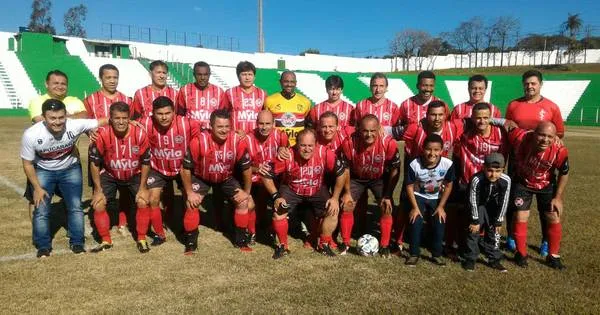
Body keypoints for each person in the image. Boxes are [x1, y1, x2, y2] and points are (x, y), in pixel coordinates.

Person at [21, 99, 107, 258]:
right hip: (43, 170)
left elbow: (104, 120)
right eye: (52, 118)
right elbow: (27, 163)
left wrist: (130, 121)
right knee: (41, 210)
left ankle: (77, 242)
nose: (57, 122)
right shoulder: (31, 134)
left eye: (61, 117)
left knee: (75, 206)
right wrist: (38, 188)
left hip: (70, 169)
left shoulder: (74, 125)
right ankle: (43, 246)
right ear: (44, 118)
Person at [504, 70, 565, 256]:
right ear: (523, 84)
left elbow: (559, 133)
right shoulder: (514, 105)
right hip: (518, 162)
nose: (530, 86)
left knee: (545, 205)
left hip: (543, 164)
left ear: (540, 84)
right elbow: (508, 128)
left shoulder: (551, 107)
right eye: (527, 83)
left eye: (534, 83)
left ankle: (546, 241)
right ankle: (512, 237)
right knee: (514, 203)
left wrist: (556, 141)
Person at [262, 129, 347, 259]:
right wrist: (276, 197)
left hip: (317, 189)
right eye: (303, 145)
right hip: (292, 189)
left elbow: (342, 173)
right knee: (278, 211)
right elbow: (266, 175)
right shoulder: (287, 155)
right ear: (296, 145)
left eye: (310, 146)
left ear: (316, 145)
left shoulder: (325, 153)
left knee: (333, 210)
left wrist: (335, 198)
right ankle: (283, 246)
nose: (306, 149)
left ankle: (323, 244)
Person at [180, 109, 254, 254]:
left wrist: (246, 192)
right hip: (202, 178)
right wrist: (189, 192)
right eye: (220, 127)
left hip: (226, 177)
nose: (224, 130)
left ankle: (241, 241)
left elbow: (247, 168)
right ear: (211, 126)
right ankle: (190, 243)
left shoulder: (237, 141)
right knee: (191, 203)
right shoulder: (198, 141)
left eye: (227, 126)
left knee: (244, 202)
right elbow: (185, 169)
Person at [88, 102, 152, 253]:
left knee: (143, 200)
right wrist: (97, 190)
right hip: (110, 174)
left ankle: (142, 238)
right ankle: (106, 240)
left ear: (129, 118)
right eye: (117, 118)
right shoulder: (101, 134)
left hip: (134, 174)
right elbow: (94, 163)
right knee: (99, 203)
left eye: (124, 118)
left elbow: (146, 162)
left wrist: (143, 187)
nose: (121, 121)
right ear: (110, 118)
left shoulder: (140, 134)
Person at [449, 102, 508, 257]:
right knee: (468, 217)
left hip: (492, 183)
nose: (481, 121)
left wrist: (503, 121)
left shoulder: (501, 133)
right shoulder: (465, 132)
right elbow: (447, 124)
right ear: (472, 118)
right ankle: (463, 245)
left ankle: (488, 247)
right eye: (478, 118)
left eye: (485, 118)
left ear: (491, 118)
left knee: (490, 217)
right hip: (468, 182)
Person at [507, 121, 569, 270]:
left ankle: (553, 256)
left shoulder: (559, 151)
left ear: (555, 138)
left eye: (549, 136)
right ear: (533, 133)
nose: (545, 140)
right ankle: (520, 254)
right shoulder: (520, 137)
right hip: (523, 182)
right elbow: (507, 125)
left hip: (546, 185)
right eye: (541, 135)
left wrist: (558, 197)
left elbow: (564, 173)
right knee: (521, 216)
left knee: (553, 216)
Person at [338, 115, 401, 257]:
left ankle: (384, 245)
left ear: (379, 129)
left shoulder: (389, 143)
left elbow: (396, 168)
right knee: (347, 204)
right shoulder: (348, 143)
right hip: (356, 177)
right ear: (359, 129)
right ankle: (346, 243)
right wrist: (347, 192)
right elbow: (345, 169)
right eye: (365, 131)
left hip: (378, 178)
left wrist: (388, 194)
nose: (369, 134)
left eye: (373, 130)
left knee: (386, 206)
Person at [140, 96, 197, 246]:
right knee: (153, 199)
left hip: (182, 168)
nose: (164, 117)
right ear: (152, 113)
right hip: (157, 168)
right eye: (159, 114)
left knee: (189, 199)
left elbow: (206, 132)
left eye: (167, 113)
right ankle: (160, 234)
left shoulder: (187, 123)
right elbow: (124, 122)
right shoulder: (145, 122)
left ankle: (188, 230)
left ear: (174, 112)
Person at [84, 63, 133, 234]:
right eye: (108, 77)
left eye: (115, 77)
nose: (112, 81)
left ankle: (122, 222)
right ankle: (101, 224)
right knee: (99, 188)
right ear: (101, 78)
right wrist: (89, 133)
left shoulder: (127, 99)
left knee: (125, 189)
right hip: (98, 151)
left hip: (122, 151)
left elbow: (131, 123)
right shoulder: (90, 100)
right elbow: (85, 124)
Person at [404, 134, 455, 266]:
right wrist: (415, 207)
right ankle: (414, 253)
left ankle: (436, 254)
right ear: (423, 148)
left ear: (442, 150)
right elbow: (409, 186)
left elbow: (449, 185)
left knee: (440, 220)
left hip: (436, 197)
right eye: (428, 149)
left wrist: (441, 206)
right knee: (415, 220)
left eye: (436, 150)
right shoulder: (414, 164)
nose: (432, 153)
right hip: (419, 196)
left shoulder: (447, 164)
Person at [244, 110, 289, 243]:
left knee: (282, 199)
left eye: (268, 123)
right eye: (261, 123)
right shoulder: (247, 139)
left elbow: (288, 156)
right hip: (253, 177)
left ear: (274, 123)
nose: (264, 127)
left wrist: (284, 148)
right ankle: (252, 231)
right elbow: (241, 165)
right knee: (249, 203)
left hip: (274, 179)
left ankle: (272, 227)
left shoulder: (281, 136)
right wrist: (257, 169)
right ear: (256, 123)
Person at [462, 153, 511, 272]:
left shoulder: (506, 180)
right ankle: (470, 258)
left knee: (494, 231)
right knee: (473, 230)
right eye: (490, 170)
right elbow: (473, 200)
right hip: (478, 206)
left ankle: (494, 259)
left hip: (493, 207)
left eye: (498, 171)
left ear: (503, 170)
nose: (493, 174)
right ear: (483, 168)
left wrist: (499, 221)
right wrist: (475, 220)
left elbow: (504, 201)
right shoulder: (476, 179)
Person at [265, 71, 312, 146]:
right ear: (280, 82)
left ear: (296, 83)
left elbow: (308, 125)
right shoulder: (269, 100)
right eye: (286, 81)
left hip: (298, 147)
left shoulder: (305, 102)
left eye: (292, 82)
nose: (289, 84)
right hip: (277, 145)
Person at [176, 61, 227, 130]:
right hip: (190, 133)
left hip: (211, 134)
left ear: (209, 74)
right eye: (199, 74)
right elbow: (180, 114)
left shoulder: (219, 92)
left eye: (205, 74)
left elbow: (223, 115)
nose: (202, 77)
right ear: (194, 74)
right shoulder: (184, 90)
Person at [224, 61, 267, 135]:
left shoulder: (262, 94)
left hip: (257, 138)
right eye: (244, 74)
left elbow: (266, 116)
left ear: (254, 77)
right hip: (236, 138)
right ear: (238, 76)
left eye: (250, 74)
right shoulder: (229, 93)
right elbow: (223, 116)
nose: (247, 78)